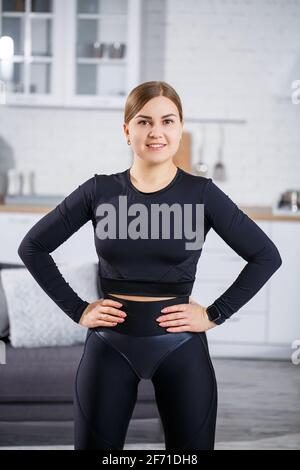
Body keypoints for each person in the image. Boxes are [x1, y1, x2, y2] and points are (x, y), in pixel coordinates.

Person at [17, 81, 282, 451]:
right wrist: (78, 310)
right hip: (109, 346)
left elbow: (266, 256)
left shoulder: (201, 194)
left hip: (182, 349)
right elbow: (32, 247)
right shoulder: (100, 190)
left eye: (167, 121)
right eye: (143, 122)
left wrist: (215, 314)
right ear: (127, 130)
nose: (156, 131)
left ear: (179, 128)